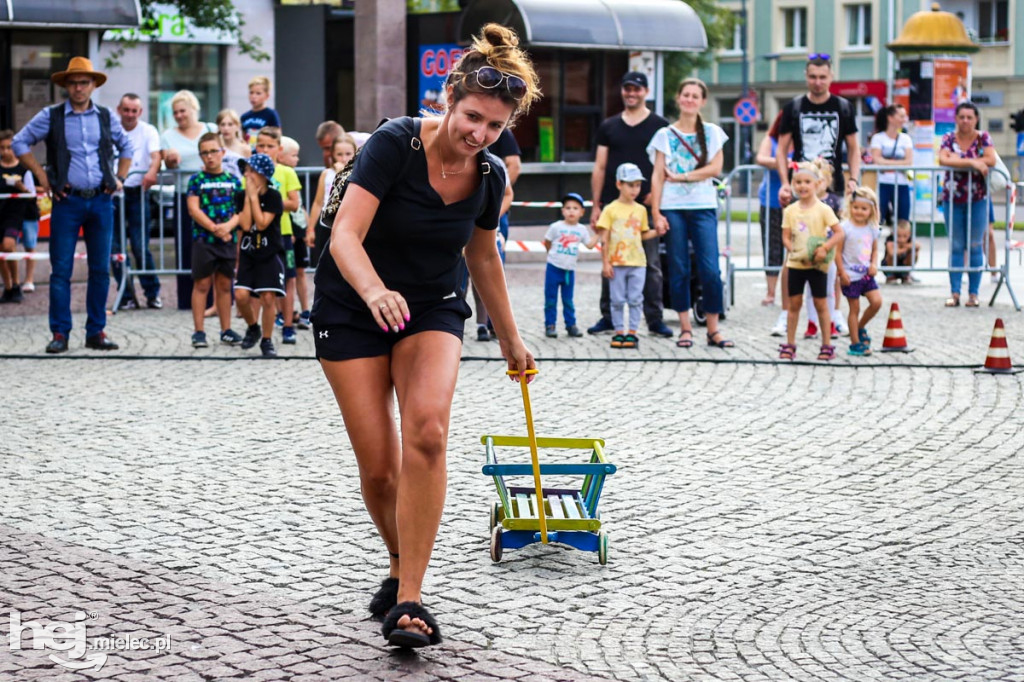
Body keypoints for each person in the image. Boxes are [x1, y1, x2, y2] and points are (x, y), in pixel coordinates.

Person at [310, 23, 539, 648]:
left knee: (430, 434)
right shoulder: (393, 144)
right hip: (353, 304)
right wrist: (374, 291)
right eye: (471, 117)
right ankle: (396, 563)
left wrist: (511, 340)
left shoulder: (488, 175)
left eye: (493, 127)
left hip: (432, 307)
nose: (478, 135)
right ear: (447, 97)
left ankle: (410, 597)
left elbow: (484, 256)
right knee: (381, 471)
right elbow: (345, 236)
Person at [12, 56, 134, 352]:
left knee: (100, 269)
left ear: (93, 85)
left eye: (84, 82)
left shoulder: (105, 116)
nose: (79, 87)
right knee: (61, 270)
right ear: (66, 86)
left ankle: (96, 331)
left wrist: (119, 176)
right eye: (74, 82)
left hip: (102, 200)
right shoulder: (51, 115)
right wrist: (41, 176)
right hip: (67, 201)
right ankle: (60, 334)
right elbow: (19, 143)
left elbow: (127, 146)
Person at [649, 78, 733, 350]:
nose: (689, 99)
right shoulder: (664, 135)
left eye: (695, 96)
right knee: (679, 268)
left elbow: (715, 169)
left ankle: (713, 329)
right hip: (673, 208)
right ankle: (685, 327)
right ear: (678, 98)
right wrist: (656, 213)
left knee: (710, 269)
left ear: (702, 101)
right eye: (685, 94)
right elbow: (658, 176)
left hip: (703, 206)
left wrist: (684, 177)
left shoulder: (712, 132)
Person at [588, 71, 672, 338]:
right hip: (614, 207)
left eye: (637, 89)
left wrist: (656, 196)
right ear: (622, 91)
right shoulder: (609, 126)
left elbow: (665, 167)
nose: (632, 93)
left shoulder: (660, 126)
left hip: (647, 205)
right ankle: (608, 317)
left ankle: (654, 318)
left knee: (650, 263)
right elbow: (600, 167)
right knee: (610, 260)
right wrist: (596, 205)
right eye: (627, 89)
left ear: (646, 92)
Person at [778, 162, 843, 361]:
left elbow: (839, 233)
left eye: (807, 182)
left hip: (817, 265)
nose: (802, 186)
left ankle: (826, 344)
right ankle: (790, 343)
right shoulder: (790, 211)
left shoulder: (823, 210)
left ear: (817, 184)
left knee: (821, 303)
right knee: (794, 304)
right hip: (796, 264)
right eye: (798, 182)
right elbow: (786, 236)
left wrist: (824, 247)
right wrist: (793, 249)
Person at [776, 54, 860, 207]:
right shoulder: (793, 107)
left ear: (831, 77)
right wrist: (784, 183)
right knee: (800, 230)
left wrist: (853, 179)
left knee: (833, 231)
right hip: (800, 185)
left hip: (834, 186)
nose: (818, 82)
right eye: (813, 77)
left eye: (823, 77)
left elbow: (853, 148)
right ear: (806, 77)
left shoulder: (844, 107)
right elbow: (781, 150)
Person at [186, 132, 243, 348]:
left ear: (222, 152)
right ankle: (199, 331)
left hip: (227, 239)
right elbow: (193, 208)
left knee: (224, 284)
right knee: (202, 283)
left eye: (213, 151)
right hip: (203, 239)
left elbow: (240, 211)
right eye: (205, 153)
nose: (210, 157)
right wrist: (214, 228)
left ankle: (226, 329)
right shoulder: (196, 180)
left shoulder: (232, 180)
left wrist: (228, 227)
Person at [160, 89, 217, 310]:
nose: (179, 115)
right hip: (184, 195)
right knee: (185, 245)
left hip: (213, 196)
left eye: (183, 110)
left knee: (213, 245)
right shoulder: (168, 136)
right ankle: (186, 299)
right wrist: (171, 160)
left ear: (194, 109)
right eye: (175, 112)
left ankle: (214, 299)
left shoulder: (210, 129)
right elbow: (169, 165)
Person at [597, 163, 659, 349]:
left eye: (638, 185)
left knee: (635, 299)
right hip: (616, 262)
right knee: (616, 300)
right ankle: (619, 332)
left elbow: (643, 234)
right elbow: (604, 237)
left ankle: (632, 332)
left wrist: (658, 232)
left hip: (637, 262)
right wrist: (605, 262)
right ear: (619, 185)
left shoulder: (640, 210)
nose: (635, 189)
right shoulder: (610, 209)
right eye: (630, 185)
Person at [938, 101, 994, 308]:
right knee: (956, 245)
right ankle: (954, 293)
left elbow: (991, 159)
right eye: (962, 117)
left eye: (970, 117)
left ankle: (973, 294)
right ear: (956, 119)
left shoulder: (983, 137)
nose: (965, 121)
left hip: (978, 198)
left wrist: (958, 158)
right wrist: (972, 161)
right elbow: (943, 159)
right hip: (952, 198)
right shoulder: (948, 138)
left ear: (976, 119)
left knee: (975, 245)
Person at [112, 93, 163, 310]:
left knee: (140, 245)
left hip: (138, 191)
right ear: (119, 110)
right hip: (113, 193)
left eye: (134, 111)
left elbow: (156, 156)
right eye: (127, 110)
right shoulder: (112, 129)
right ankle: (126, 294)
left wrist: (152, 172)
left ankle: (152, 293)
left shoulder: (148, 130)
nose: (130, 115)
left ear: (140, 112)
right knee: (114, 248)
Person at [472, 127, 522, 342]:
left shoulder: (503, 136)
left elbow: (515, 166)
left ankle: (494, 323)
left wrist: (492, 194)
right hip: (467, 208)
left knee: (491, 262)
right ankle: (481, 322)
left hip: (495, 210)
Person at [234, 153, 285, 358]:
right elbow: (246, 225)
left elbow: (262, 223)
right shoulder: (240, 196)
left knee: (268, 297)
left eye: (251, 170)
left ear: (263, 175)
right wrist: (248, 196)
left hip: (268, 253)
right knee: (241, 295)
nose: (247, 174)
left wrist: (255, 197)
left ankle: (267, 339)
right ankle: (252, 327)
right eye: (246, 170)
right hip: (248, 252)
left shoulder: (273, 196)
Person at [253, 127, 301, 344]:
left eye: (270, 146)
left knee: (288, 280)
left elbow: (294, 202)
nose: (265, 150)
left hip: (282, 233)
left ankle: (288, 325)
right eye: (261, 146)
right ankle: (254, 327)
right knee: (257, 282)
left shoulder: (286, 172)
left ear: (278, 149)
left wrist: (270, 203)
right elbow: (246, 198)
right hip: (258, 234)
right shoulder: (252, 173)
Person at [836, 186, 882, 356]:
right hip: (850, 275)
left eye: (864, 209)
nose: (859, 212)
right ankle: (855, 342)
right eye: (856, 207)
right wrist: (842, 273)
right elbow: (837, 252)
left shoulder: (872, 229)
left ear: (871, 210)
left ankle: (861, 326)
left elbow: (875, 249)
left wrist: (874, 264)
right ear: (850, 206)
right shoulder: (845, 228)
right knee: (853, 308)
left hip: (866, 274)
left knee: (876, 302)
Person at [542, 192, 596, 338]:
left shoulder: (581, 230)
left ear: (582, 212)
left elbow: (590, 245)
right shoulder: (556, 227)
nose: (571, 211)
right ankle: (550, 325)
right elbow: (547, 242)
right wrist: (552, 255)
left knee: (568, 300)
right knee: (550, 299)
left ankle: (570, 325)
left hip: (569, 270)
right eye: (568, 208)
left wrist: (600, 233)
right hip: (554, 268)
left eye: (575, 208)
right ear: (562, 210)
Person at [802, 158, 845, 339]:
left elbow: (839, 226)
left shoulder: (834, 202)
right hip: (810, 250)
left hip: (829, 251)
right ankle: (812, 322)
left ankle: (831, 321)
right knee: (811, 290)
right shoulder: (805, 203)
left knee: (829, 290)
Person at [307, 134, 356, 270]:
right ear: (333, 155)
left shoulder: (358, 172)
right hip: (327, 225)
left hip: (347, 225)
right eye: (339, 154)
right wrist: (310, 228)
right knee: (325, 265)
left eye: (348, 154)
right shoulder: (326, 174)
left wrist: (343, 174)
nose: (344, 158)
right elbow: (318, 202)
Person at [279, 135, 311, 329]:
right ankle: (283, 312)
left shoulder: (292, 175)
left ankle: (306, 309)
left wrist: (307, 228)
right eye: (294, 155)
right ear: (281, 155)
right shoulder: (281, 176)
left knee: (300, 271)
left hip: (298, 230)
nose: (297, 160)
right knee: (284, 274)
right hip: (285, 231)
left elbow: (300, 206)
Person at [756, 113, 786, 310]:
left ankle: (794, 290)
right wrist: (782, 163)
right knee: (772, 246)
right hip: (772, 200)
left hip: (799, 201)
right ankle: (771, 292)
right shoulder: (771, 139)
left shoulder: (801, 140)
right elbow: (760, 158)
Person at [0, 129, 34, 303]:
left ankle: (17, 283)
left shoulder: (24, 169)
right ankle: (7, 287)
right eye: (2, 148)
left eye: (9, 147)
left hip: (15, 214)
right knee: (1, 252)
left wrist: (21, 187)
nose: (6, 151)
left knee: (8, 245)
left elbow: (32, 194)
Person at [869, 104, 913, 226]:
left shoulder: (906, 139)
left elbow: (909, 161)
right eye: (901, 116)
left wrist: (886, 163)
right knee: (878, 218)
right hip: (882, 182)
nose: (904, 119)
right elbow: (876, 159)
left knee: (903, 220)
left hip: (902, 182)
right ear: (890, 118)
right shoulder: (878, 138)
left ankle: (899, 244)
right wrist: (899, 164)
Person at [240, 76, 281, 144]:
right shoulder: (244, 117)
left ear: (267, 96)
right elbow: (243, 138)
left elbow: (277, 136)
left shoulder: (271, 114)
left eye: (258, 93)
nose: (253, 96)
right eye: (251, 92)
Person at [215, 109, 250, 179]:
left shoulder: (245, 148)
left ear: (237, 126)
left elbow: (248, 172)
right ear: (218, 127)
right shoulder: (215, 147)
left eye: (230, 124)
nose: (226, 128)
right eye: (222, 124)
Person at [884, 219, 921, 283]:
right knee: (891, 255)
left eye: (905, 236)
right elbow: (891, 252)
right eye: (898, 236)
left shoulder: (910, 240)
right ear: (893, 234)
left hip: (904, 265)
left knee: (914, 253)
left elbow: (918, 246)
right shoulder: (890, 239)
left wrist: (905, 247)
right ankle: (890, 276)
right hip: (889, 266)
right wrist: (905, 248)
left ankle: (905, 274)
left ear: (909, 234)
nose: (901, 239)